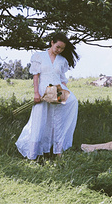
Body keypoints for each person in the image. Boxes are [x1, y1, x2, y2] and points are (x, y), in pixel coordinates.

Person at [16, 32, 79, 160]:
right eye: (57, 47)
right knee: (39, 120)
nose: (59, 50)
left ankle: (57, 151)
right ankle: (33, 155)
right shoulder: (39, 56)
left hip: (56, 92)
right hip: (42, 91)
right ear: (52, 43)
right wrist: (36, 93)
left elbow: (62, 80)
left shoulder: (62, 60)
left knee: (57, 120)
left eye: (62, 49)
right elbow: (36, 76)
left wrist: (65, 93)